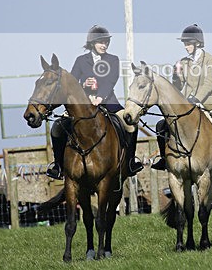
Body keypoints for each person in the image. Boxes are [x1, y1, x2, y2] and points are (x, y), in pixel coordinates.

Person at [47, 25, 143, 179]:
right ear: (92, 43)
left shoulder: (113, 59)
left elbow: (111, 80)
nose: (104, 45)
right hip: (83, 105)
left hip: (108, 101)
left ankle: (131, 161)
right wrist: (84, 85)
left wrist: (100, 97)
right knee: (57, 127)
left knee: (130, 124)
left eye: (106, 42)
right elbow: (72, 83)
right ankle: (58, 166)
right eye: (101, 42)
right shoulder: (80, 60)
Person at [151, 24, 212, 171]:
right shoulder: (183, 62)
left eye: (188, 43)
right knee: (161, 125)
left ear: (197, 43)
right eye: (184, 43)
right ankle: (164, 159)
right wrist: (176, 76)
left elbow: (208, 84)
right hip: (186, 105)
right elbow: (177, 88)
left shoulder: (210, 60)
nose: (186, 46)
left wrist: (196, 99)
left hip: (208, 103)